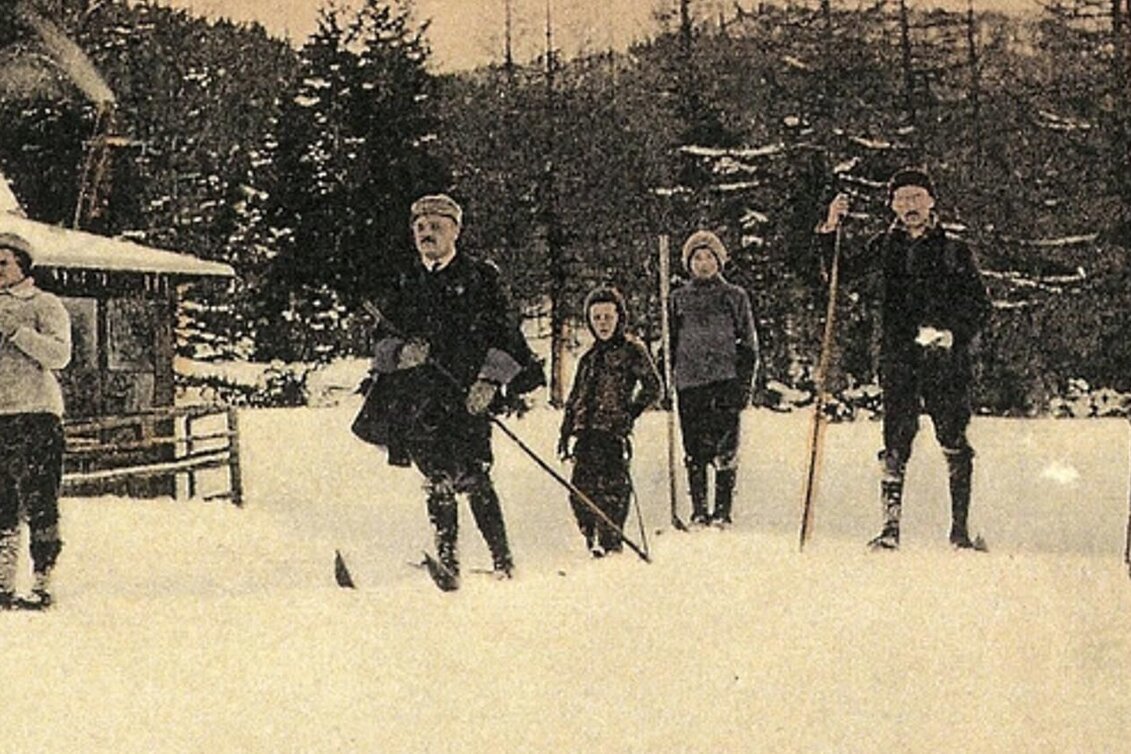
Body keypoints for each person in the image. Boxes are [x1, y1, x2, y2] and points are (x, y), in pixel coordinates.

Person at [363, 194, 542, 590]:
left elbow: (508, 335)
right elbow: (380, 342)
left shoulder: (481, 277)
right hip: (420, 400)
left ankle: (503, 560)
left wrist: (490, 382)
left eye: (436, 227)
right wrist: (400, 354)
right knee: (437, 479)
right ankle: (448, 563)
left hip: (467, 396)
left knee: (474, 476)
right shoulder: (405, 281)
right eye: (420, 228)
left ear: (455, 231)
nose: (427, 234)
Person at [815, 167, 992, 550]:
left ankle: (959, 530)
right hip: (899, 356)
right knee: (896, 440)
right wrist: (831, 227)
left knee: (953, 437)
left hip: (945, 359)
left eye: (916, 198)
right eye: (902, 199)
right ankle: (890, 528)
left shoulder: (954, 250)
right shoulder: (885, 246)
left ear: (931, 202)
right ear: (892, 205)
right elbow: (838, 275)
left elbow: (980, 304)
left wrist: (953, 334)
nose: (910, 206)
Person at [558, 286, 661, 557]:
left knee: (613, 489)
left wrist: (630, 412)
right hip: (585, 434)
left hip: (612, 432)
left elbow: (653, 386)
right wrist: (565, 432)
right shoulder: (588, 358)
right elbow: (574, 398)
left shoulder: (631, 351)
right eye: (596, 318)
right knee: (579, 491)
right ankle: (590, 535)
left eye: (608, 316)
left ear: (619, 318)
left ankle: (610, 541)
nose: (602, 323)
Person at [0, 232, 72, 609]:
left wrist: (16, 332)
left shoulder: (44, 304)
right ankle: (3, 583)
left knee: (41, 498)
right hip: (0, 415)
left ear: (23, 266)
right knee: (1, 503)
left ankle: (42, 581)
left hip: (37, 414)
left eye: (3, 264)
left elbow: (60, 355)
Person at [670, 230, 759, 527]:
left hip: (725, 380)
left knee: (725, 447)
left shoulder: (734, 296)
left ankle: (722, 511)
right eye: (697, 258)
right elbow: (670, 341)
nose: (703, 263)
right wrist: (669, 374)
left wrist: (743, 386)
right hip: (690, 382)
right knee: (694, 448)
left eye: (709, 257)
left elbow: (748, 344)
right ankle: (699, 509)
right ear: (689, 263)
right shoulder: (678, 298)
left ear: (719, 261)